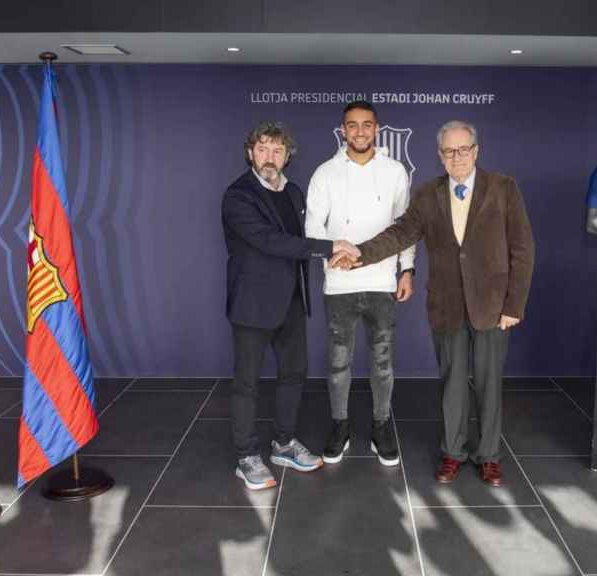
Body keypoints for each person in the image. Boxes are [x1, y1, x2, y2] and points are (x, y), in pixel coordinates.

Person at [332, 120, 534, 487]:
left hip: (493, 306)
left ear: (476, 151)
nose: (456, 157)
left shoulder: (503, 188)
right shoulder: (427, 194)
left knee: (490, 385)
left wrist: (514, 305)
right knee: (452, 384)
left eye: (463, 149)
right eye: (448, 151)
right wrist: (360, 253)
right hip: (447, 305)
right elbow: (401, 234)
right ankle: (452, 453)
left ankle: (489, 456)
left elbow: (523, 249)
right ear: (440, 156)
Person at [222, 121, 360, 490]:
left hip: (292, 302)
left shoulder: (294, 192)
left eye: (278, 150)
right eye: (263, 148)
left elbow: (304, 237)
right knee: (247, 383)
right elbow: (271, 241)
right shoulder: (238, 196)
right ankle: (246, 456)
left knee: (293, 374)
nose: (270, 157)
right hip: (252, 305)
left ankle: (283, 443)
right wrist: (331, 248)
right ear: (250, 152)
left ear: (287, 156)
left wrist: (335, 254)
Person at [305, 101, 416, 467]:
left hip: (382, 282)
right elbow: (313, 229)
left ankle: (381, 426)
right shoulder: (325, 173)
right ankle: (340, 426)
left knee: (382, 362)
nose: (360, 131)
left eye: (366, 125)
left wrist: (407, 270)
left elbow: (406, 229)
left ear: (377, 129)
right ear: (343, 130)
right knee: (339, 363)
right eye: (352, 125)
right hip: (339, 284)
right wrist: (333, 254)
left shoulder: (395, 171)